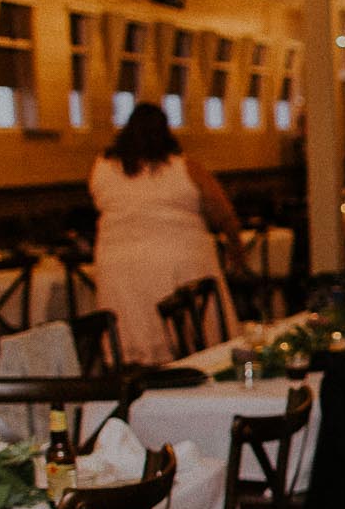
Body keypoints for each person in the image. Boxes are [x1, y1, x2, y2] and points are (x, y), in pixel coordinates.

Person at [88, 101, 239, 364]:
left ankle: (132, 366)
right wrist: (236, 254)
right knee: (195, 334)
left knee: (132, 329)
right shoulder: (185, 168)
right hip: (180, 257)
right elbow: (224, 214)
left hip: (118, 263)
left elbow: (99, 203)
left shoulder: (102, 167)